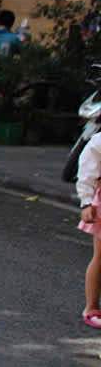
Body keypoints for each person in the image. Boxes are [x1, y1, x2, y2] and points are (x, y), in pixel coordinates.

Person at [74, 133, 101, 328]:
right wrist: (86, 202)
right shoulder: (99, 141)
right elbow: (87, 171)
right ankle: (91, 307)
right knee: (100, 256)